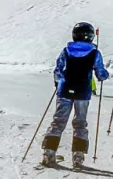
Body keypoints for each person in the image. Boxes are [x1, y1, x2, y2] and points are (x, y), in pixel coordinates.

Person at [42, 22, 109, 168]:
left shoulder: (66, 50)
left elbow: (58, 69)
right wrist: (104, 76)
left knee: (58, 121)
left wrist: (58, 83)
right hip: (83, 92)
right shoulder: (94, 52)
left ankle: (49, 152)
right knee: (80, 123)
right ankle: (78, 156)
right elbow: (100, 73)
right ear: (91, 37)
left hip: (65, 89)